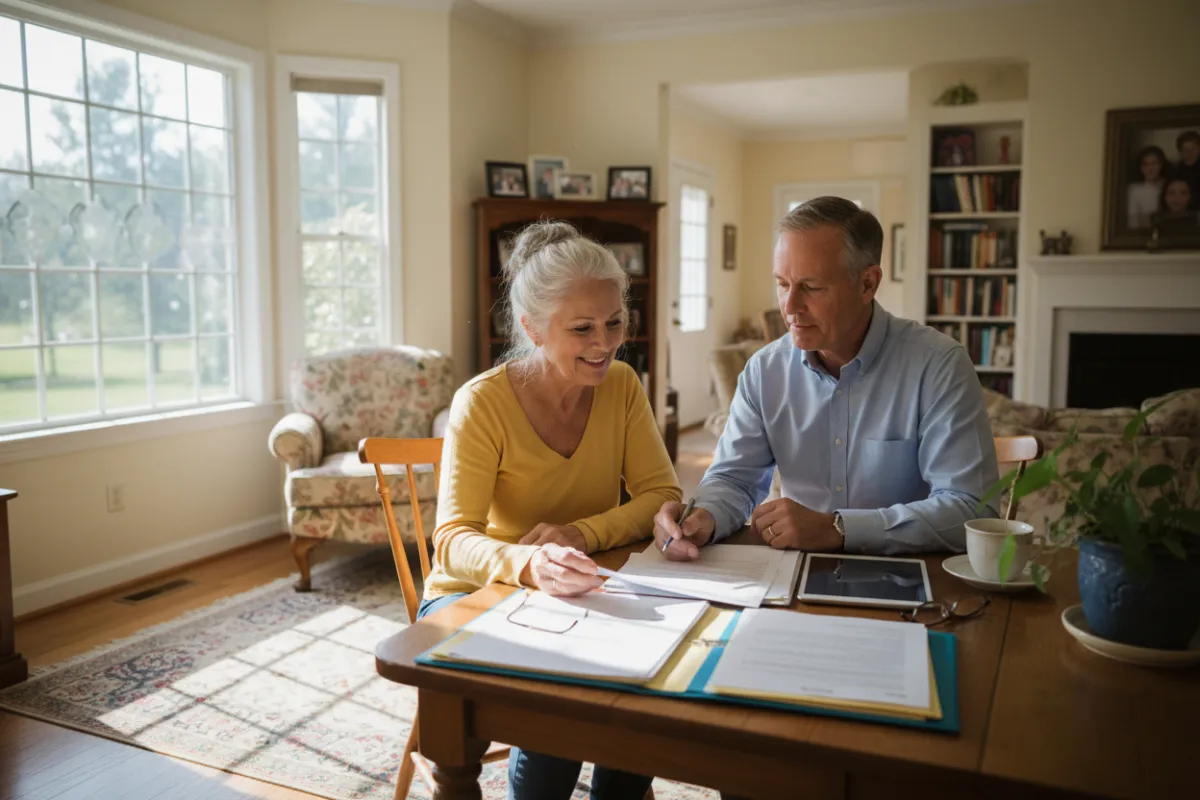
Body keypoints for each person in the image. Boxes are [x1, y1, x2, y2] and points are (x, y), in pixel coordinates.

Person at [418, 220, 679, 800]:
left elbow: (663, 496)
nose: (605, 342)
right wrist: (529, 563)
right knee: (556, 701)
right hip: (475, 589)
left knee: (647, 683)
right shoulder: (481, 402)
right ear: (533, 327)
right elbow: (452, 540)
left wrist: (580, 535)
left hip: (581, 583)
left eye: (614, 322)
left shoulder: (622, 386)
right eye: (582, 327)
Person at [653, 196, 999, 561]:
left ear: (868, 283)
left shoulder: (938, 366)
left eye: (812, 287)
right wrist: (702, 517)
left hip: (908, 578)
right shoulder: (764, 371)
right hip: (790, 575)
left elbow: (973, 509)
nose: (789, 307)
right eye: (782, 284)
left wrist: (840, 529)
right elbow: (733, 479)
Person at [1126, 145, 1168, 228]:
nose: (1150, 168)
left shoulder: (1169, 185)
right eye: (1146, 164)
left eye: (1154, 164)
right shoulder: (1134, 190)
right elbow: (1133, 222)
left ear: (1161, 165)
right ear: (1141, 168)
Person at [1173, 130, 1200, 209]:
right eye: (1186, 150)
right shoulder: (1176, 172)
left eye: (1193, 149)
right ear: (1180, 151)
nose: (1191, 153)